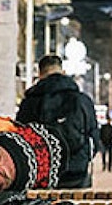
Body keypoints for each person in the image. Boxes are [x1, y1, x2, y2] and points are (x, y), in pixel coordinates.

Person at [16, 54, 100, 188]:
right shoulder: (82, 100)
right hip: (77, 173)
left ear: (40, 73)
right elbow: (94, 136)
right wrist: (83, 158)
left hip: (42, 174)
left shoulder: (30, 102)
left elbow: (21, 135)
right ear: (62, 71)